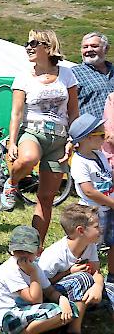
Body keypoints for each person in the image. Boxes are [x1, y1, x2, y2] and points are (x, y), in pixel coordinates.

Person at [1, 30, 79, 245]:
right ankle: (12, 181)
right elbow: (16, 113)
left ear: (48, 46)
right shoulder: (23, 75)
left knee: (46, 198)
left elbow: (73, 112)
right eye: (27, 43)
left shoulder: (67, 74)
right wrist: (12, 142)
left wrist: (73, 139)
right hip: (33, 131)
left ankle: (37, 247)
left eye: (34, 43)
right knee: (28, 159)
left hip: (60, 137)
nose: (28, 47)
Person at [0, 225, 80, 334]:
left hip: (28, 311)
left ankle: (34, 330)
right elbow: (35, 300)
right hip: (8, 317)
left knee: (71, 309)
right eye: (19, 251)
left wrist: (62, 300)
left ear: (38, 252)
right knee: (54, 311)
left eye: (28, 252)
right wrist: (32, 273)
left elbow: (49, 291)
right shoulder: (10, 269)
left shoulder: (35, 267)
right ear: (11, 250)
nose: (24, 256)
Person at [38, 204, 114, 331]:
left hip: (81, 293)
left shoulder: (89, 245)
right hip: (53, 298)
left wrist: (98, 286)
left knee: (111, 287)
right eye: (96, 227)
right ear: (80, 230)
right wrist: (68, 272)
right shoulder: (55, 254)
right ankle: (74, 329)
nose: (100, 230)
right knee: (82, 278)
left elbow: (96, 272)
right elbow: (40, 285)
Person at [67, 114, 114, 282]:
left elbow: (108, 177)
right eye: (102, 135)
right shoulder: (79, 162)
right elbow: (89, 191)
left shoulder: (99, 155)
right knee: (90, 247)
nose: (106, 137)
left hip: (109, 209)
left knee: (112, 242)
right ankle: (88, 277)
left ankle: (112, 278)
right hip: (93, 213)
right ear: (87, 138)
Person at [71, 32, 113, 119]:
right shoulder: (73, 73)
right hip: (93, 130)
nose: (89, 50)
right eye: (85, 47)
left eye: (94, 46)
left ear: (106, 49)